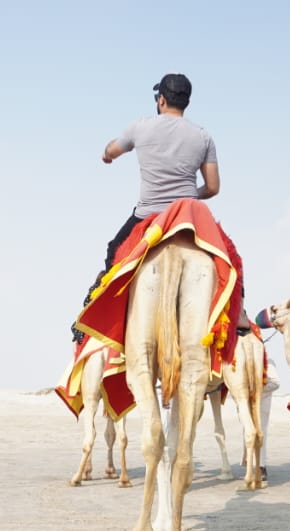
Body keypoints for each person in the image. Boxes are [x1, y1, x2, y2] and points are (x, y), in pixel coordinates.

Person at [72, 73, 220, 344]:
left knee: (113, 252)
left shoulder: (140, 127)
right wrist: (187, 196)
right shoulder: (203, 137)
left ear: (161, 100)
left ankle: (101, 316)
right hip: (188, 217)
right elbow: (212, 187)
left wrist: (107, 155)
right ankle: (240, 316)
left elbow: (111, 150)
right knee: (227, 260)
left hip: (148, 216)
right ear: (186, 102)